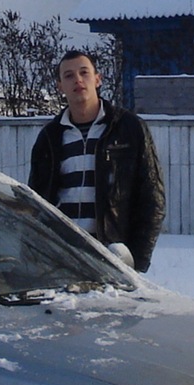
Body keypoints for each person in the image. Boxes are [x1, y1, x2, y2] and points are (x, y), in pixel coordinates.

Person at [28, 49, 165, 272]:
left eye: (84, 72)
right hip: (63, 257)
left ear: (98, 79)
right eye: (69, 75)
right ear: (60, 86)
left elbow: (152, 198)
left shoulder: (129, 128)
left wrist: (136, 262)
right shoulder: (50, 138)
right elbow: (37, 202)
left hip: (112, 257)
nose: (78, 80)